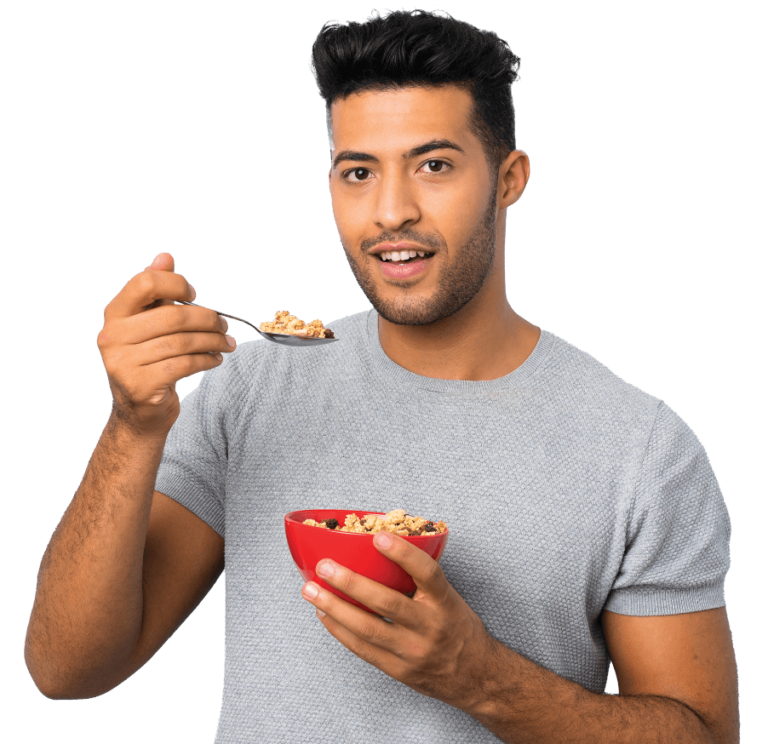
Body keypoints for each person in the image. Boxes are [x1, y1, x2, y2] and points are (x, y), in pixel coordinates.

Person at [23, 9, 738, 743]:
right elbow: (67, 670)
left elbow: (700, 735)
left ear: (508, 179)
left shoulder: (641, 446)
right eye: (359, 173)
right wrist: (133, 424)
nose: (391, 212)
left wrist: (481, 678)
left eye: (434, 165)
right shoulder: (253, 385)